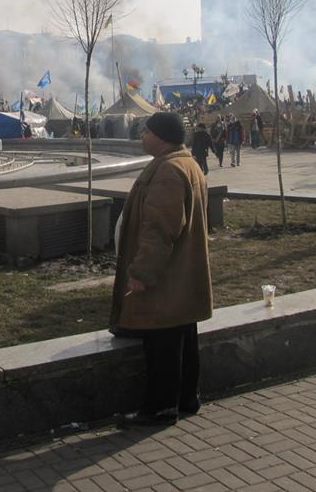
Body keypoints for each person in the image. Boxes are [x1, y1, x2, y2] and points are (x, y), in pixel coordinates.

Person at [110, 112, 213, 427]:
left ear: (162, 137)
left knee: (162, 341)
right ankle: (187, 398)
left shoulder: (168, 170)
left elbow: (160, 228)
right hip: (182, 271)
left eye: (146, 131)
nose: (141, 136)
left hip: (166, 276)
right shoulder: (186, 163)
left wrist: (142, 272)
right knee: (184, 332)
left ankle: (160, 408)